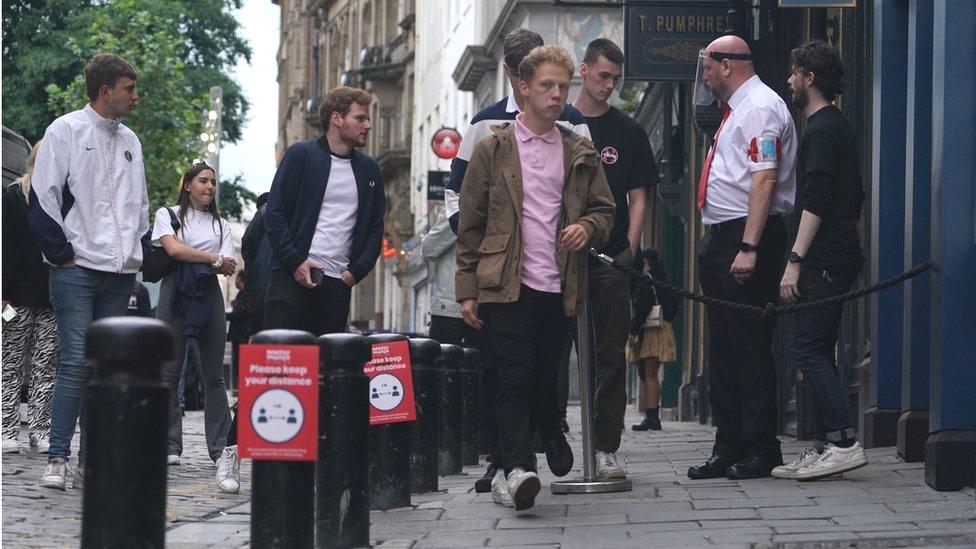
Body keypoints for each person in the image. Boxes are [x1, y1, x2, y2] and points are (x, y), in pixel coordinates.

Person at [456, 45, 615, 511]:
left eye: (563, 87)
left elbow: (604, 211)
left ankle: (546, 430)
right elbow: (471, 223)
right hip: (506, 282)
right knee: (513, 377)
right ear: (524, 88)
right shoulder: (494, 147)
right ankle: (518, 469)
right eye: (547, 85)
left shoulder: (578, 149)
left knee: (547, 380)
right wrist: (467, 289)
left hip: (560, 285)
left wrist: (586, 227)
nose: (556, 94)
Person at [30, 53, 149, 491]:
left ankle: (92, 459)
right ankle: (58, 457)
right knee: (77, 362)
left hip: (119, 273)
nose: (135, 97)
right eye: (128, 89)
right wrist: (62, 253)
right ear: (105, 91)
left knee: (105, 367)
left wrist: (136, 251)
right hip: (76, 268)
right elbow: (43, 195)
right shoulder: (64, 129)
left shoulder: (131, 141)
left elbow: (141, 203)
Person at [688, 35, 797, 481]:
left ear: (728, 64)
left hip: (746, 236)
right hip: (724, 235)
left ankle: (760, 448)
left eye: (708, 66)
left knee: (749, 346)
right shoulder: (737, 109)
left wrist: (748, 247)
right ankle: (728, 444)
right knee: (724, 349)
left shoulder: (759, 108)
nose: (705, 75)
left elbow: (764, 179)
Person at [774, 40, 867, 481]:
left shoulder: (823, 130)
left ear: (809, 78)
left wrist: (796, 259)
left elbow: (816, 200)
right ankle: (831, 440)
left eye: (795, 73)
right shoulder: (834, 126)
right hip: (836, 255)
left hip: (824, 260)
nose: (790, 80)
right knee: (817, 349)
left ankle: (844, 441)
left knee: (808, 349)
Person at [571, 38, 659, 479]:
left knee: (608, 354)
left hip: (610, 258)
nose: (609, 85)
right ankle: (549, 441)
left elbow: (640, 194)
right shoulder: (562, 124)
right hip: (560, 258)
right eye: (603, 76)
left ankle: (605, 448)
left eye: (616, 79)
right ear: (583, 71)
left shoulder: (628, 131)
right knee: (553, 353)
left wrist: (629, 245)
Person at [263, 86, 385, 335]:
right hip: (292, 278)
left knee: (329, 367)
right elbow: (275, 213)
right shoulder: (301, 155)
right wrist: (295, 262)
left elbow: (375, 227)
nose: (368, 125)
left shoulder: (369, 169)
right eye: (360, 118)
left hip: (337, 284)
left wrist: (356, 271)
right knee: (286, 363)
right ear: (337, 119)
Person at [153, 161, 240, 493]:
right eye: (203, 181)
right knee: (168, 372)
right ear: (188, 184)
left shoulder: (222, 226)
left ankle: (220, 448)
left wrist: (208, 259)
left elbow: (229, 265)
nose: (210, 187)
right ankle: (168, 444)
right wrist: (210, 258)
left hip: (208, 297)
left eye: (213, 182)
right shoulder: (169, 214)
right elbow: (171, 249)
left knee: (213, 375)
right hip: (174, 293)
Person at [2, 141, 59, 455]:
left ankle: (40, 429)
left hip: (51, 296)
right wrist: (3, 293)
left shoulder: (61, 201)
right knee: (10, 365)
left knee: (46, 366)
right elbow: (5, 248)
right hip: (16, 297)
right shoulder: (13, 196)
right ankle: (7, 429)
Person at [627, 248, 678, 432]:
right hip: (663, 327)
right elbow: (675, 303)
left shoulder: (646, 280)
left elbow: (642, 308)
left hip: (651, 331)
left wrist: (633, 331)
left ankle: (652, 416)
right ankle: (652, 415)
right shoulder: (662, 281)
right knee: (651, 373)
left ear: (645, 261)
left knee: (648, 374)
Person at [422, 210, 472, 346]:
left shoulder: (457, 208)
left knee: (442, 363)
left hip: (451, 308)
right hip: (490, 305)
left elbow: (428, 249)